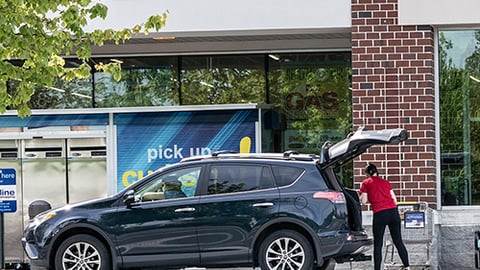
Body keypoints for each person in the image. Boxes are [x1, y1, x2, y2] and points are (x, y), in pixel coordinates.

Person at [359, 163, 410, 270]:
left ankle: (377, 269)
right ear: (377, 172)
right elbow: (394, 199)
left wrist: (360, 197)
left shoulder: (366, 183)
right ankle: (407, 266)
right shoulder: (386, 182)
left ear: (367, 173)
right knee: (398, 241)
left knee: (378, 245)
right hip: (393, 212)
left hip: (380, 214)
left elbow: (363, 201)